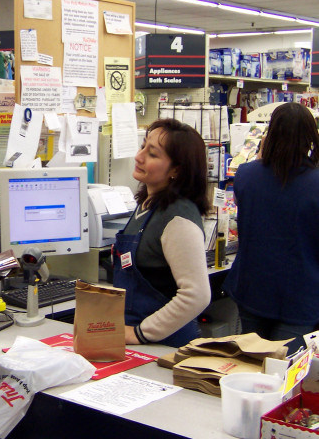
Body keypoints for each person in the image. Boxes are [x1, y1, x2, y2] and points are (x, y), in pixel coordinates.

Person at [223, 102, 319, 354]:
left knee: (251, 361)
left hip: (253, 288)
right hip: (300, 295)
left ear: (270, 134)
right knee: (285, 373)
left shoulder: (246, 175)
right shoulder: (315, 182)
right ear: (310, 136)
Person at [113, 118, 211, 347]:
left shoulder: (177, 217)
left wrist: (139, 334)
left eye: (153, 154)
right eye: (143, 146)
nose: (139, 156)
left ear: (176, 170)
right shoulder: (147, 205)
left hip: (164, 347)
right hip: (139, 342)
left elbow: (197, 295)